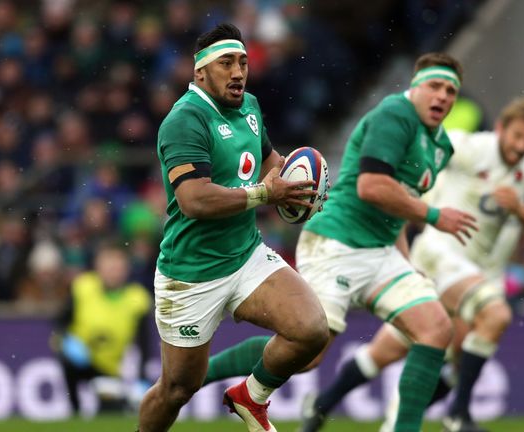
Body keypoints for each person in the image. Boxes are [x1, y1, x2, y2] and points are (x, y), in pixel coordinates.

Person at [203, 52, 476, 432]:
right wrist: (434, 216)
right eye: (434, 86)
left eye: (451, 90)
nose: (443, 96)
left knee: (436, 330)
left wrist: (405, 261)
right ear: (415, 88)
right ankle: (199, 376)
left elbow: (397, 209)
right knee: (307, 352)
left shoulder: (441, 146)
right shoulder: (395, 114)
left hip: (380, 252)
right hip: (337, 243)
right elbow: (372, 186)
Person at [298, 96, 524, 432]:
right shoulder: (468, 147)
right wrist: (415, 207)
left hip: (485, 272)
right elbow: (416, 163)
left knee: (393, 352)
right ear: (500, 129)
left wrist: (522, 213)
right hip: (441, 255)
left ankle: (322, 403)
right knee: (492, 317)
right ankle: (456, 414)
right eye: (517, 136)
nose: (521, 146)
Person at [136, 23, 329, 432]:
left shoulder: (250, 107)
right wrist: (265, 194)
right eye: (226, 62)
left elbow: (268, 160)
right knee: (176, 389)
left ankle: (251, 397)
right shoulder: (184, 120)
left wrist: (297, 184)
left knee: (311, 330)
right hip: (191, 275)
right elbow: (194, 200)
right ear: (200, 72)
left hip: (246, 254)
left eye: (242, 61)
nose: (238, 71)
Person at [54, 243, 152, 415]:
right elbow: (60, 322)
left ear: (126, 268)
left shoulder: (138, 298)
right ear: (98, 266)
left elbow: (143, 343)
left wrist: (141, 378)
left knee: (110, 415)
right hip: (81, 360)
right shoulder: (82, 287)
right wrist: (67, 341)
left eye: (118, 266)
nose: (114, 271)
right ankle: (74, 412)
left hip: (109, 368)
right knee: (66, 362)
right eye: (109, 266)